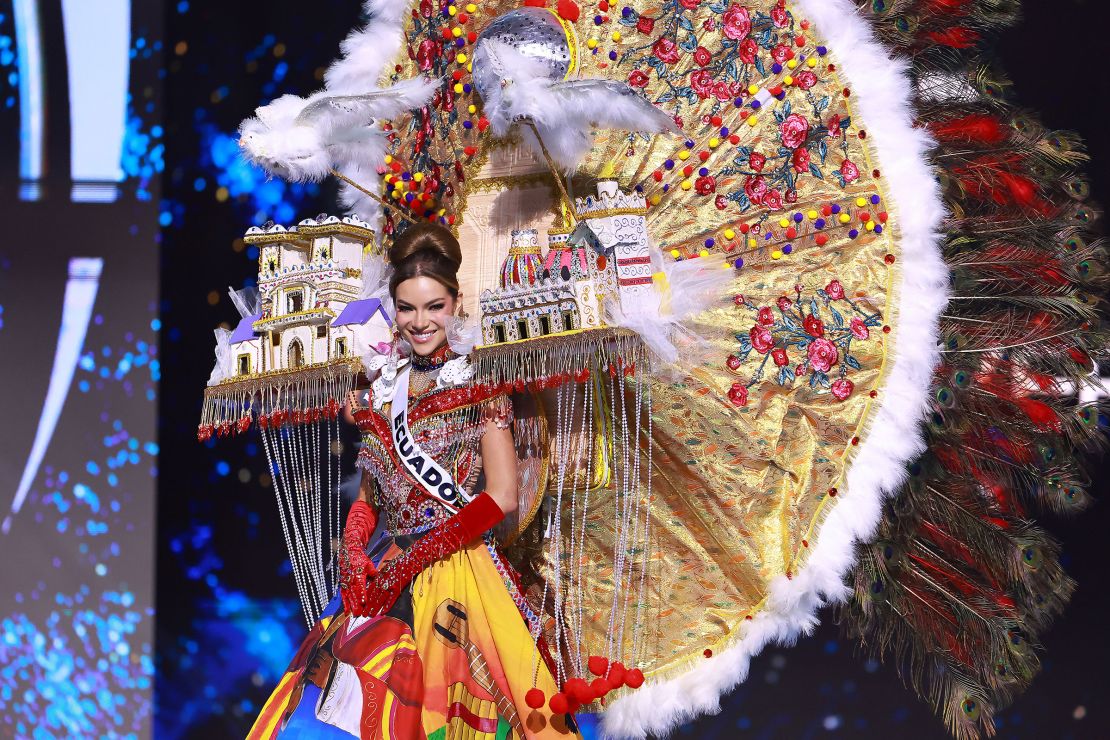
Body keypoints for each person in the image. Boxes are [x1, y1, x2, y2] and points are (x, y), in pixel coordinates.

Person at [248, 222, 577, 739]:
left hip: (458, 569)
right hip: (385, 566)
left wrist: (419, 557)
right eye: (407, 308)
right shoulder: (384, 388)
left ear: (455, 302)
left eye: (433, 307)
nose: (419, 322)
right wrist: (355, 549)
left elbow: (502, 494)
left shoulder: (481, 383)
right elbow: (370, 496)